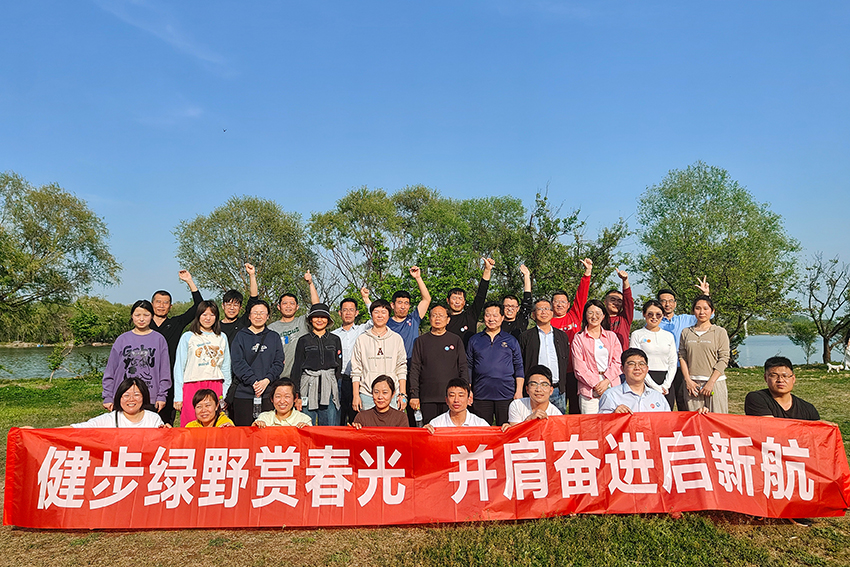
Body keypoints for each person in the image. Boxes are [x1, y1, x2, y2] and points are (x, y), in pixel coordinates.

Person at [150, 269, 204, 426]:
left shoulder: (176, 323)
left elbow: (199, 306)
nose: (161, 306)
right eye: (158, 302)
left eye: (165, 303)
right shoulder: (144, 325)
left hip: (169, 380)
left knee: (166, 421)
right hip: (147, 379)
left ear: (170, 306)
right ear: (152, 304)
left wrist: (189, 281)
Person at [102, 300, 171, 412]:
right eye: (137, 315)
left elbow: (164, 371)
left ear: (152, 316)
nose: (141, 319)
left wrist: (162, 395)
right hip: (124, 397)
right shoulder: (122, 339)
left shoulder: (159, 339)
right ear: (132, 316)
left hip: (150, 397)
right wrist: (108, 396)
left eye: (146, 315)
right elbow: (110, 370)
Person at [173, 300, 231, 427]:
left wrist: (225, 394)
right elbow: (179, 367)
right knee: (191, 422)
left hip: (215, 384)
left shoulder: (222, 337)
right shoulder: (188, 337)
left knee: (214, 422)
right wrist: (178, 396)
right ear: (198, 316)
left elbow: (226, 368)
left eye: (212, 314)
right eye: (204, 314)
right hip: (192, 384)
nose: (208, 318)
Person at [409, 303, 469, 424]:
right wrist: (414, 395)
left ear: (448, 319)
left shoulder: (455, 340)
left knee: (449, 430)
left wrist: (466, 392)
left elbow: (463, 367)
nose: (437, 318)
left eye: (441, 315)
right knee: (429, 430)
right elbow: (415, 368)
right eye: (434, 315)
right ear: (429, 318)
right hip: (427, 397)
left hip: (451, 398)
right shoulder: (421, 341)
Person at [466, 301, 525, 426]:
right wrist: (469, 390)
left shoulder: (511, 340)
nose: (491, 319)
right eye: (488, 315)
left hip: (506, 394)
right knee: (483, 431)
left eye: (495, 315)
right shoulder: (474, 340)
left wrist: (519, 391)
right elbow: (468, 366)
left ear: (502, 317)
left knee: (506, 430)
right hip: (481, 395)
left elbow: (519, 366)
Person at [657, 277, 711, 410]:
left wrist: (705, 295)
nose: (667, 304)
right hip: (663, 368)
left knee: (685, 403)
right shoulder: (655, 321)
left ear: (675, 304)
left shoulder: (686, 319)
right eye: (663, 301)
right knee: (664, 403)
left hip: (683, 368)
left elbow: (706, 314)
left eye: (670, 301)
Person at [230, 300, 285, 426]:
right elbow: (238, 363)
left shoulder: (274, 336)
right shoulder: (240, 336)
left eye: (262, 313)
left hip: (269, 393)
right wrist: (254, 382)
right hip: (244, 393)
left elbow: (279, 362)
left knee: (268, 432)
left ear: (267, 316)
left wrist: (266, 380)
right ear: (249, 316)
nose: (258, 316)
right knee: (244, 432)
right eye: (255, 313)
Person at [550, 258, 593, 413]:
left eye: (563, 302)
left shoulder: (574, 315)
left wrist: (587, 272)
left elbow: (581, 295)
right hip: (557, 372)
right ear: (551, 304)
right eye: (556, 302)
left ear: (568, 305)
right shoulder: (547, 321)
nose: (560, 304)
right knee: (557, 410)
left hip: (575, 370)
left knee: (576, 408)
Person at [290, 303, 343, 426]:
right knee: (306, 425)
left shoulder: (335, 339)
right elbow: (297, 366)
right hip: (308, 387)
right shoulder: (304, 340)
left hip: (329, 387)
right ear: (310, 319)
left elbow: (338, 366)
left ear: (328, 320)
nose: (319, 320)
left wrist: (336, 388)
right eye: (316, 317)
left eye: (323, 317)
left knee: (329, 427)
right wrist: (297, 394)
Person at [351, 299, 408, 412]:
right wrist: (356, 395)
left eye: (383, 312)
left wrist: (402, 394)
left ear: (389, 315)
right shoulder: (362, 339)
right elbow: (356, 370)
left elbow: (401, 367)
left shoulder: (396, 339)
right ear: (371, 315)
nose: (380, 315)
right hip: (367, 395)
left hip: (392, 396)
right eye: (376, 312)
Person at [519, 299, 571, 415]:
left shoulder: (561, 336)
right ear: (533, 314)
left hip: (556, 389)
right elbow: (521, 363)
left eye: (547, 309)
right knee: (534, 421)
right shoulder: (526, 336)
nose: (544, 312)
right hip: (535, 390)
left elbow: (565, 360)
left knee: (558, 423)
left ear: (552, 313)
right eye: (540, 309)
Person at [679, 295, 730, 413]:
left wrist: (711, 383)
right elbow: (682, 357)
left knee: (717, 419)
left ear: (712, 311)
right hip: (693, 385)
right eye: (698, 308)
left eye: (706, 308)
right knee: (695, 420)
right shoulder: (686, 332)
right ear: (693, 311)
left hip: (715, 383)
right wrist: (688, 380)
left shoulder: (719, 332)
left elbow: (724, 359)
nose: (702, 312)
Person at [266, 270, 321, 380]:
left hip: (303, 377)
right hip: (279, 378)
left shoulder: (302, 322)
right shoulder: (271, 328)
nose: (288, 306)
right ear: (279, 307)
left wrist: (310, 283)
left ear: (297, 307)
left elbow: (317, 307)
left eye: (292, 303)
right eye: (285, 303)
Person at [571, 299, 622, 414]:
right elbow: (579, 367)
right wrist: (596, 385)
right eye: (590, 313)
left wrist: (606, 381)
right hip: (588, 389)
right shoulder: (579, 338)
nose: (594, 316)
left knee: (613, 421)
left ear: (603, 316)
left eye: (598, 313)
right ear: (585, 315)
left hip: (611, 383)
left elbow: (618, 361)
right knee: (590, 422)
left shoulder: (611, 336)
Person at [629, 299, 677, 410]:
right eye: (650, 314)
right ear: (644, 314)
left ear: (662, 315)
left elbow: (673, 362)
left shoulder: (668, 336)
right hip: (645, 379)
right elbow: (636, 362)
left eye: (658, 314)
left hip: (666, 380)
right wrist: (654, 386)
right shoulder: (637, 335)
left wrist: (666, 385)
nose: (654, 317)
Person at [332, 295, 372, 425]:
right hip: (339, 379)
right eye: (345, 310)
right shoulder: (334, 335)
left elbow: (375, 317)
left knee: (357, 415)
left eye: (351, 310)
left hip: (358, 380)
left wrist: (366, 299)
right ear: (340, 313)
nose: (348, 313)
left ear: (356, 313)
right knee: (339, 415)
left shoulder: (363, 330)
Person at [599, 348, 672, 414]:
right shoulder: (611, 395)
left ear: (647, 369)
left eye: (641, 364)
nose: (637, 368)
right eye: (631, 364)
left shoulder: (658, 397)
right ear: (622, 369)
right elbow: (601, 423)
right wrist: (613, 415)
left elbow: (668, 421)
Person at [744, 356, 820, 420]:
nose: (780, 380)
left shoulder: (808, 409)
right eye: (774, 375)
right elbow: (770, 427)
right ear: (765, 378)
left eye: (785, 376)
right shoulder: (756, 398)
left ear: (793, 379)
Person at [75, 378, 166, 428]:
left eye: (136, 395)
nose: (131, 399)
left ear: (144, 396)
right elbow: (79, 428)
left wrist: (167, 432)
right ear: (119, 397)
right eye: (126, 395)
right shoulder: (108, 420)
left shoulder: (153, 419)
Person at [446, 257, 495, 346]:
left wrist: (487, 270)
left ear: (464, 302)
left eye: (460, 299)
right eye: (454, 298)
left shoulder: (470, 316)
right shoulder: (442, 319)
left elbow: (481, 295)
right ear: (448, 300)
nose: (457, 302)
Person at [424, 378, 490, 431]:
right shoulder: (436, 424)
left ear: (468, 399)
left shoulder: (480, 424)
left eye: (461, 396)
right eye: (452, 395)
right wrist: (424, 433)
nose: (456, 400)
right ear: (446, 400)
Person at [220, 263, 260, 344]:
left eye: (235, 305)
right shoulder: (215, 326)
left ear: (240, 307)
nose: (232, 308)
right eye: (229, 304)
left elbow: (254, 298)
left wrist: (252, 275)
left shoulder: (243, 323)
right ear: (223, 306)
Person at [602, 269, 634, 349]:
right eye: (613, 300)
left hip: (621, 355)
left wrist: (625, 280)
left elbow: (628, 300)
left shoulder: (624, 318)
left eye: (619, 301)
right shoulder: (599, 319)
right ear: (605, 302)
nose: (616, 303)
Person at [501, 264, 533, 340]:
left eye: (513, 306)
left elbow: (527, 301)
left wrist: (526, 276)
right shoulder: (496, 323)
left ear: (518, 308)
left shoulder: (521, 321)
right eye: (507, 306)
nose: (510, 309)